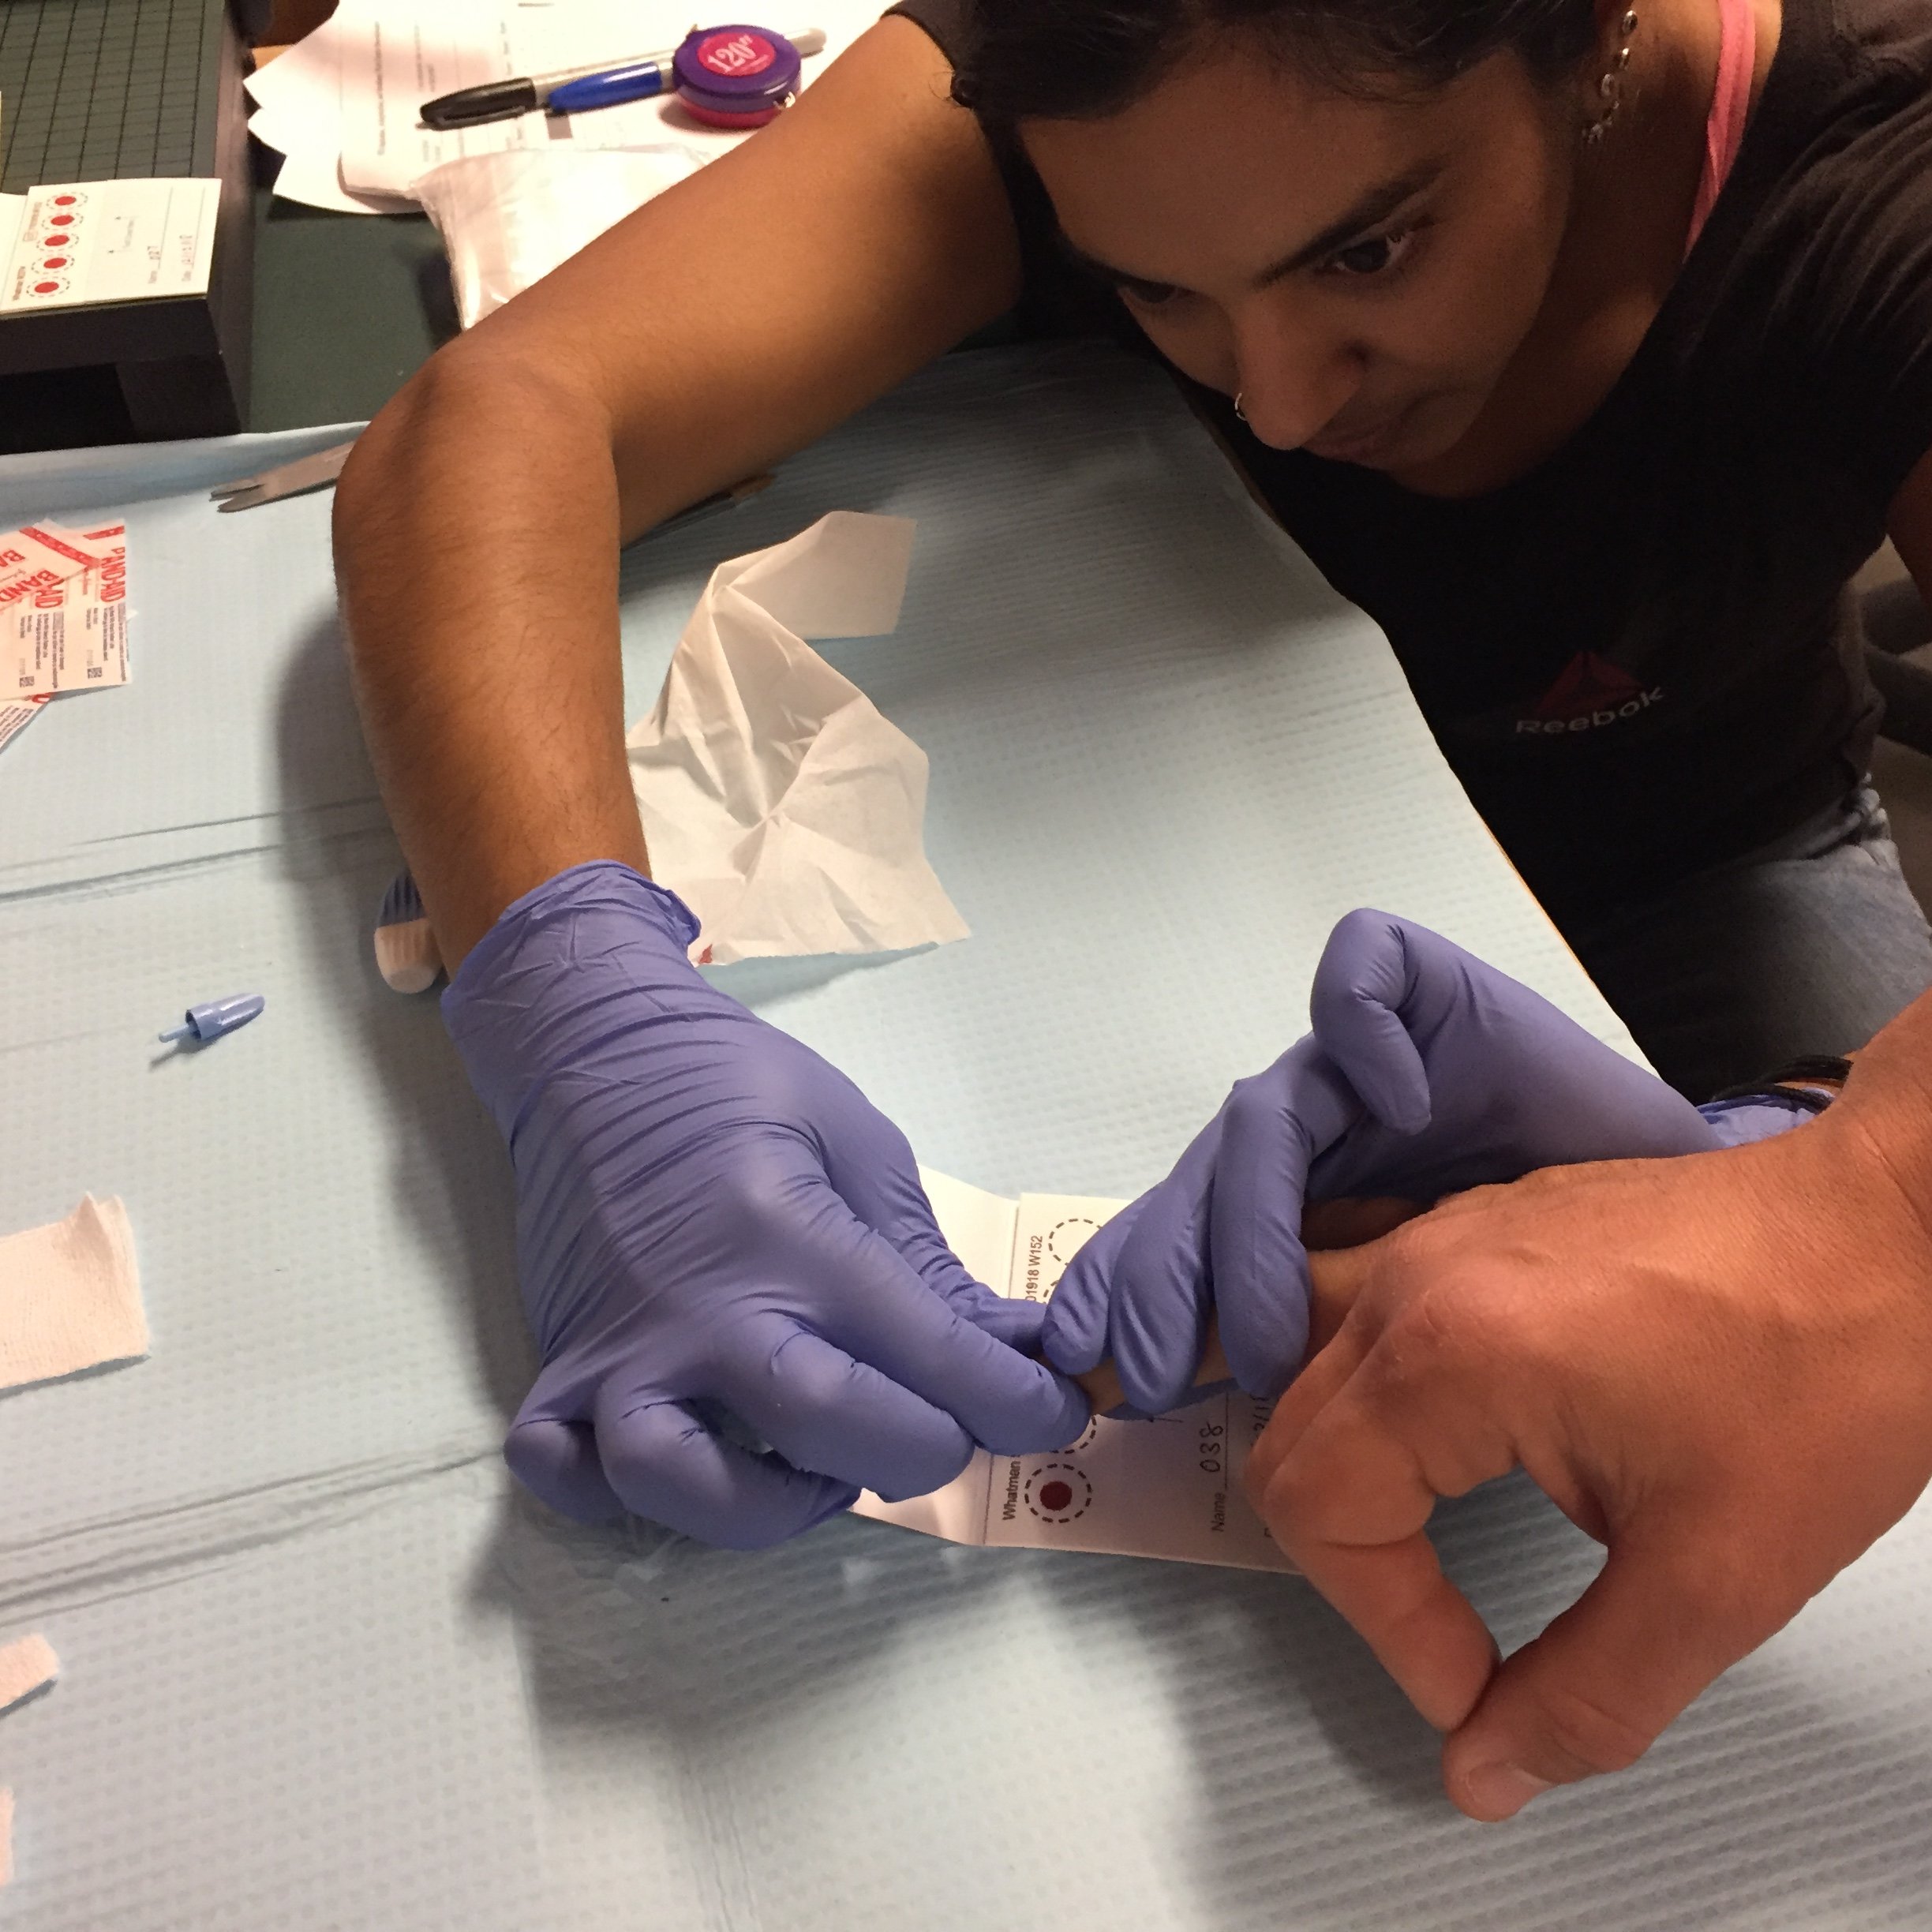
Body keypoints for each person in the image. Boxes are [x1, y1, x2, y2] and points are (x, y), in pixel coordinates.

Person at [331, 0, 1932, 1813]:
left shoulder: (1880, 174)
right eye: (1158, 293)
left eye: (1373, 247)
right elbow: (499, 418)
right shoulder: (1075, 77)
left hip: (1709, 857)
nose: (1282, 398)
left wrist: (1840, 1185)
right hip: (1245, 796)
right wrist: (581, 1005)